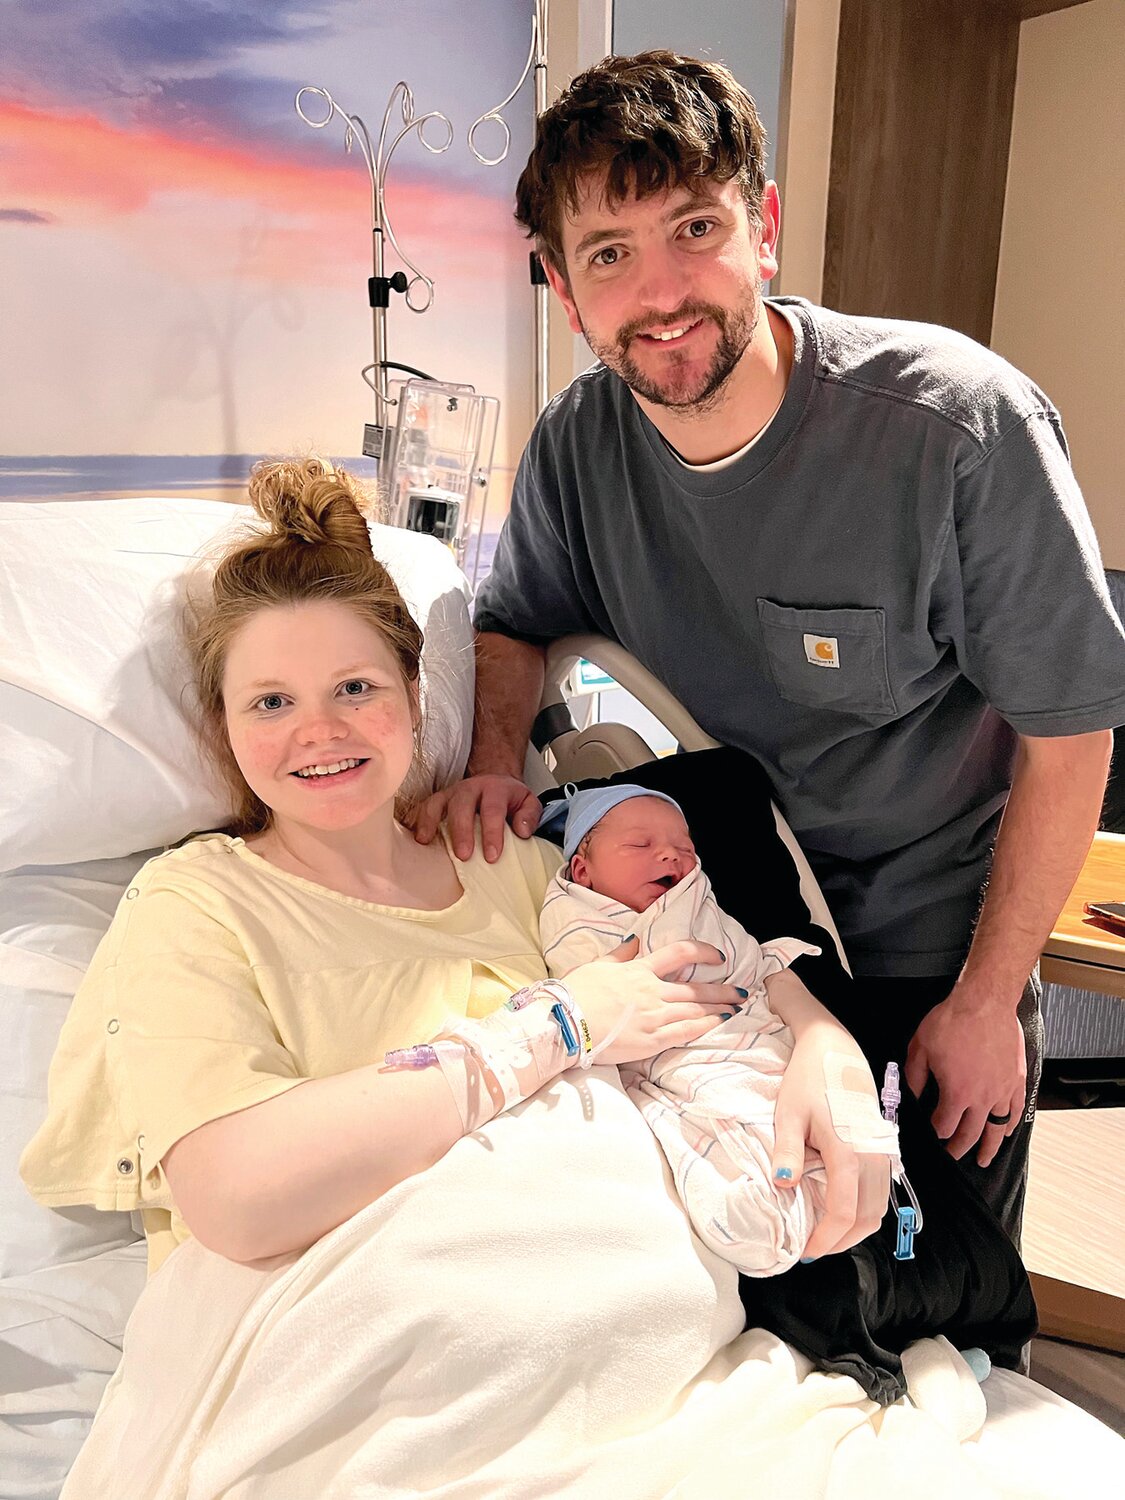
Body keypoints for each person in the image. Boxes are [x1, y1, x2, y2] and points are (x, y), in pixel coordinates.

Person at [414, 50, 1125, 1247]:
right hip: (711, 934)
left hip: (923, 948)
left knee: (934, 1291)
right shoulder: (578, 448)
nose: (661, 290)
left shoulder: (957, 431)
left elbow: (1070, 730)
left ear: (765, 224)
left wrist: (990, 999)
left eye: (695, 226)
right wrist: (492, 758)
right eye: (608, 254)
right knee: (744, 1297)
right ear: (562, 288)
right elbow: (516, 620)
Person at [20, 456, 884, 1279]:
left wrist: (821, 1041)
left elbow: (701, 955)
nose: (319, 730)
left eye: (355, 688)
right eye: (272, 702)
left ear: (412, 696)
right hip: (364, 1340)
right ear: (224, 724)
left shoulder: (511, 866)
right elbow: (237, 1200)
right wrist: (560, 1027)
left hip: (631, 1303)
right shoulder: (194, 904)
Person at [537, 782, 900, 1278]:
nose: (671, 854)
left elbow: (750, 963)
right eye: (641, 845)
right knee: (726, 1128)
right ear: (583, 870)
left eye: (685, 847)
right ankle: (771, 1214)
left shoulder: (701, 903)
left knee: (818, 1128)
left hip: (753, 1032)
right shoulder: (575, 915)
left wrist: (813, 1024)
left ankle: (817, 1207)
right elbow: (591, 993)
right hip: (679, 1054)